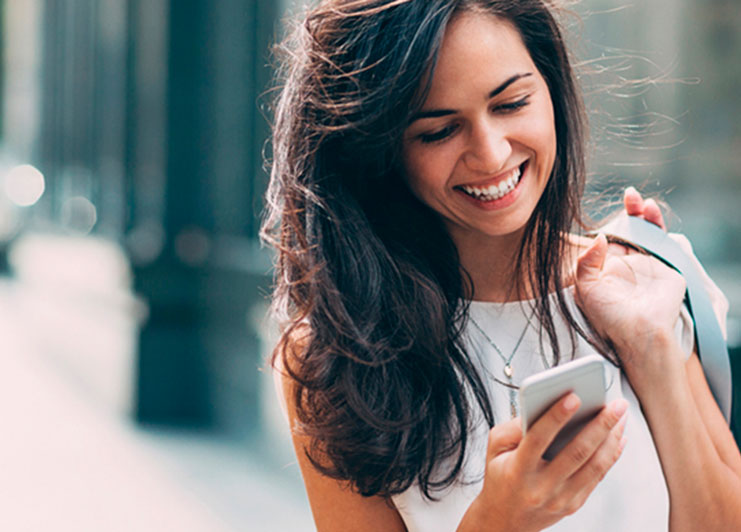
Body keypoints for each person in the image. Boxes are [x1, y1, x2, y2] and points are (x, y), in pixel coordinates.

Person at [262, 1, 741, 530]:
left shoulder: (640, 286)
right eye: (438, 131)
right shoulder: (335, 354)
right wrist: (499, 519)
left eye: (511, 103)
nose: (490, 156)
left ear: (551, 89)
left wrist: (651, 347)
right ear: (381, 152)